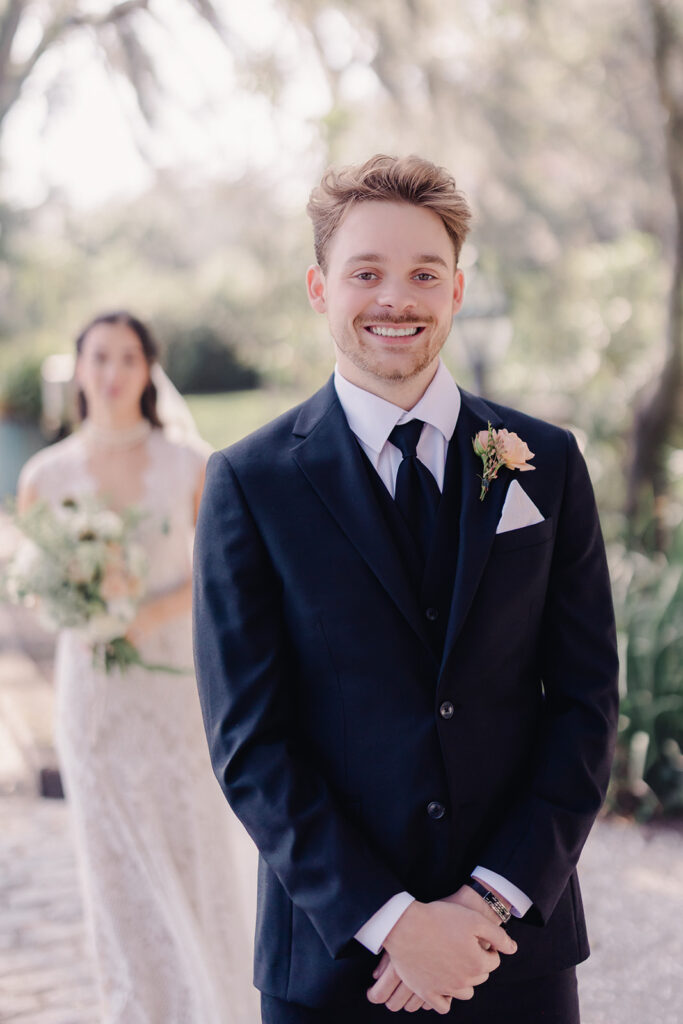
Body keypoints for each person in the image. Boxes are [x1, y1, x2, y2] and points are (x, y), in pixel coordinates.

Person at [192, 155, 619, 1023]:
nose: (398, 298)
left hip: (513, 956)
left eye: (424, 273)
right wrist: (391, 924)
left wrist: (485, 905)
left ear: (456, 291)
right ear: (319, 288)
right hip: (333, 964)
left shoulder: (548, 461)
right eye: (366, 273)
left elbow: (584, 705)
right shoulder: (249, 482)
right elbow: (250, 742)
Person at [17, 311, 258, 1024]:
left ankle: (216, 1005)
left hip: (174, 687)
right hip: (91, 697)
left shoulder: (191, 464)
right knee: (114, 867)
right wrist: (82, 606)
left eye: (128, 358)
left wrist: (138, 613)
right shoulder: (44, 474)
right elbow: (35, 590)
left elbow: (222, 576)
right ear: (79, 368)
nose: (114, 373)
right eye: (100, 358)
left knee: (190, 845)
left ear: (149, 370)